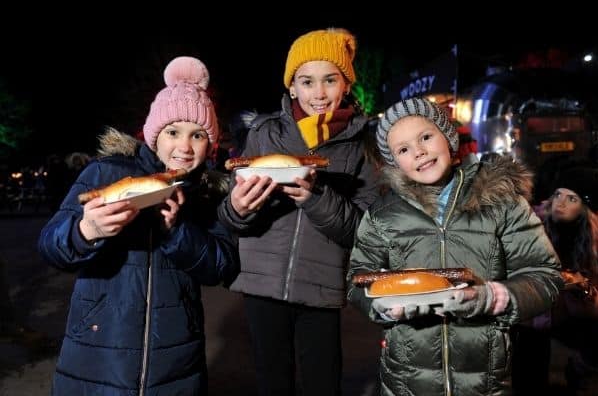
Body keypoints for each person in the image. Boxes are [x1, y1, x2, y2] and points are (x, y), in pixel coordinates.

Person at [38, 56, 239, 395]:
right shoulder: (108, 173)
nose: (185, 148)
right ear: (154, 133)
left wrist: (177, 231)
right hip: (98, 354)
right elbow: (50, 244)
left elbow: (221, 266)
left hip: (176, 361)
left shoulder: (207, 193)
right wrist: (88, 232)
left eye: (198, 135)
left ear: (212, 143)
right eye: (173, 132)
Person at [346, 97, 563, 395]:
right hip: (406, 382)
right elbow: (358, 277)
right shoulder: (383, 214)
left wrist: (491, 298)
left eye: (425, 137)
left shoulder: (501, 201)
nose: (419, 152)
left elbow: (545, 276)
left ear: (447, 136)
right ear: (395, 162)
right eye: (404, 149)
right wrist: (381, 306)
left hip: (485, 381)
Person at [217, 28, 378, 395]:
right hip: (261, 283)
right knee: (272, 382)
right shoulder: (264, 133)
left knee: (324, 382)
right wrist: (238, 208)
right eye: (306, 81)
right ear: (292, 87)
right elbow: (229, 215)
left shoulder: (362, 145)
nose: (318, 93)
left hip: (321, 289)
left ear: (346, 85)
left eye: (330, 80)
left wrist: (316, 196)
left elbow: (364, 231)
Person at [512, 166, 598, 395]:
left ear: (584, 206)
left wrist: (586, 290)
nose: (561, 203)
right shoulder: (531, 224)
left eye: (572, 198)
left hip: (574, 311)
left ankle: (579, 371)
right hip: (536, 310)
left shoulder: (594, 236)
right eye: (558, 194)